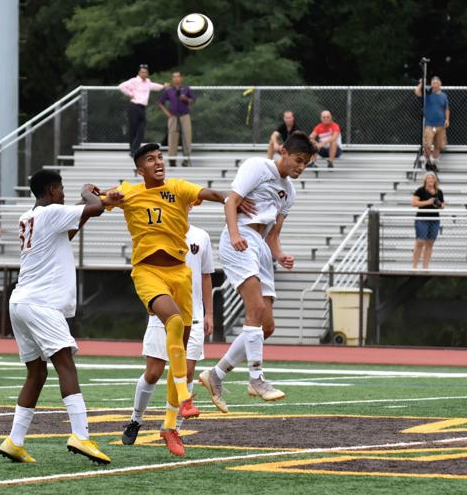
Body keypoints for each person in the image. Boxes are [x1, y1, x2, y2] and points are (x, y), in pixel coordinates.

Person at [104, 143, 254, 457]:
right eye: (150, 159)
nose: (158, 162)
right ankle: (167, 405)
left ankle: (170, 427)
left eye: (160, 157)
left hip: (180, 281)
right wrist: (97, 192)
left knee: (180, 357)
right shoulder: (128, 191)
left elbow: (211, 194)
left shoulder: (180, 194)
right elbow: (90, 199)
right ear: (139, 168)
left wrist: (233, 199)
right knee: (159, 359)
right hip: (148, 273)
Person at [0, 169, 123, 464]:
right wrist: (87, 191)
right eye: (62, 189)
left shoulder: (29, 216)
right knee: (65, 364)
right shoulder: (51, 211)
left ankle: (14, 441)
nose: (64, 194)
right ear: (52, 189)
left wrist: (99, 199)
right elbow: (93, 208)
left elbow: (72, 228)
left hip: (20, 302)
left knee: (37, 373)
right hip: (41, 304)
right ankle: (81, 435)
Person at [199, 131, 316, 413]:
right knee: (254, 308)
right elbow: (231, 201)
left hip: (260, 247)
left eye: (306, 164)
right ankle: (256, 379)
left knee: (267, 326)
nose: (301, 167)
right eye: (298, 160)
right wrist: (235, 233)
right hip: (240, 240)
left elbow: (273, 235)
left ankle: (215, 375)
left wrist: (280, 255)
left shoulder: (290, 191)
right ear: (283, 152)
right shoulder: (258, 166)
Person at [121, 223, 214, 447]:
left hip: (194, 316)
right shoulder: (159, 231)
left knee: (187, 372)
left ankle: (172, 428)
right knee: (153, 372)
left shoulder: (201, 236)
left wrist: (209, 312)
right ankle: (135, 419)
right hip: (163, 313)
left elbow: (206, 276)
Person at [119, 64, 168, 157]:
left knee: (141, 129)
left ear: (147, 73)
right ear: (139, 73)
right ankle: (133, 150)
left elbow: (154, 86)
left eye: (145, 72)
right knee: (133, 129)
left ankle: (135, 148)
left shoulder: (148, 82)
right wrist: (131, 94)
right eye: (142, 72)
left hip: (142, 107)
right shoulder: (134, 81)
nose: (144, 74)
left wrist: (163, 86)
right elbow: (121, 86)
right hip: (134, 106)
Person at [158, 72, 195, 167]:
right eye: (174, 77)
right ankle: (172, 159)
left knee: (187, 137)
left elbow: (192, 101)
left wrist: (185, 98)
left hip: (184, 116)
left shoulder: (186, 89)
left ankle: (186, 159)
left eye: (178, 76)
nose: (176, 78)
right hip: (173, 116)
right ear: (172, 79)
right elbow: (160, 102)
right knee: (172, 137)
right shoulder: (169, 90)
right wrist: (167, 114)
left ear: (181, 78)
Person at [415, 76, 450, 171]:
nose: (435, 85)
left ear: (440, 84)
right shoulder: (428, 94)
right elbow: (417, 92)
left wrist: (447, 119)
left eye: (437, 83)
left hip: (441, 125)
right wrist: (422, 83)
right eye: (433, 83)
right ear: (431, 84)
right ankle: (429, 160)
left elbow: (446, 109)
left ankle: (433, 164)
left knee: (439, 145)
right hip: (429, 124)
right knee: (427, 144)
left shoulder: (444, 96)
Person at [411, 172, 445, 269]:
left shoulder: (439, 191)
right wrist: (428, 202)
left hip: (434, 219)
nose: (431, 180)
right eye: (429, 178)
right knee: (420, 242)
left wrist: (440, 205)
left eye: (432, 178)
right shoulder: (420, 190)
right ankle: (414, 267)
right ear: (425, 180)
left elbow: (442, 205)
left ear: (435, 180)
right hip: (422, 219)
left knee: (430, 243)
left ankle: (425, 267)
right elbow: (413, 203)